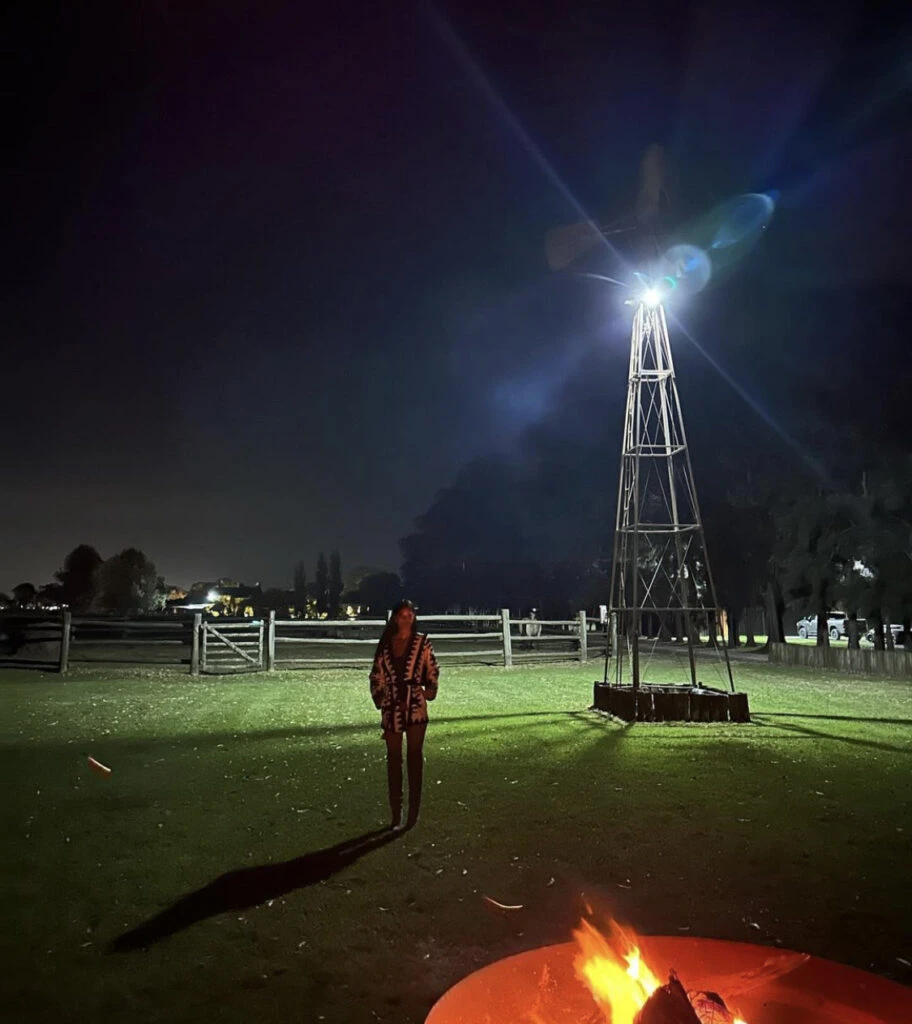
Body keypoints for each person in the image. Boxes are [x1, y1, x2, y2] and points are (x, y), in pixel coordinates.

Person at [369, 600, 439, 831]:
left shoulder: (422, 643)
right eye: (402, 615)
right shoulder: (386, 645)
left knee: (415, 757)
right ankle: (396, 811)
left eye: (410, 615)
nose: (406, 619)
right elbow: (376, 674)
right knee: (394, 759)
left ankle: (413, 812)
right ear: (395, 618)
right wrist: (380, 697)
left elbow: (432, 669)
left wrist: (429, 689)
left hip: (415, 706)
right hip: (391, 708)